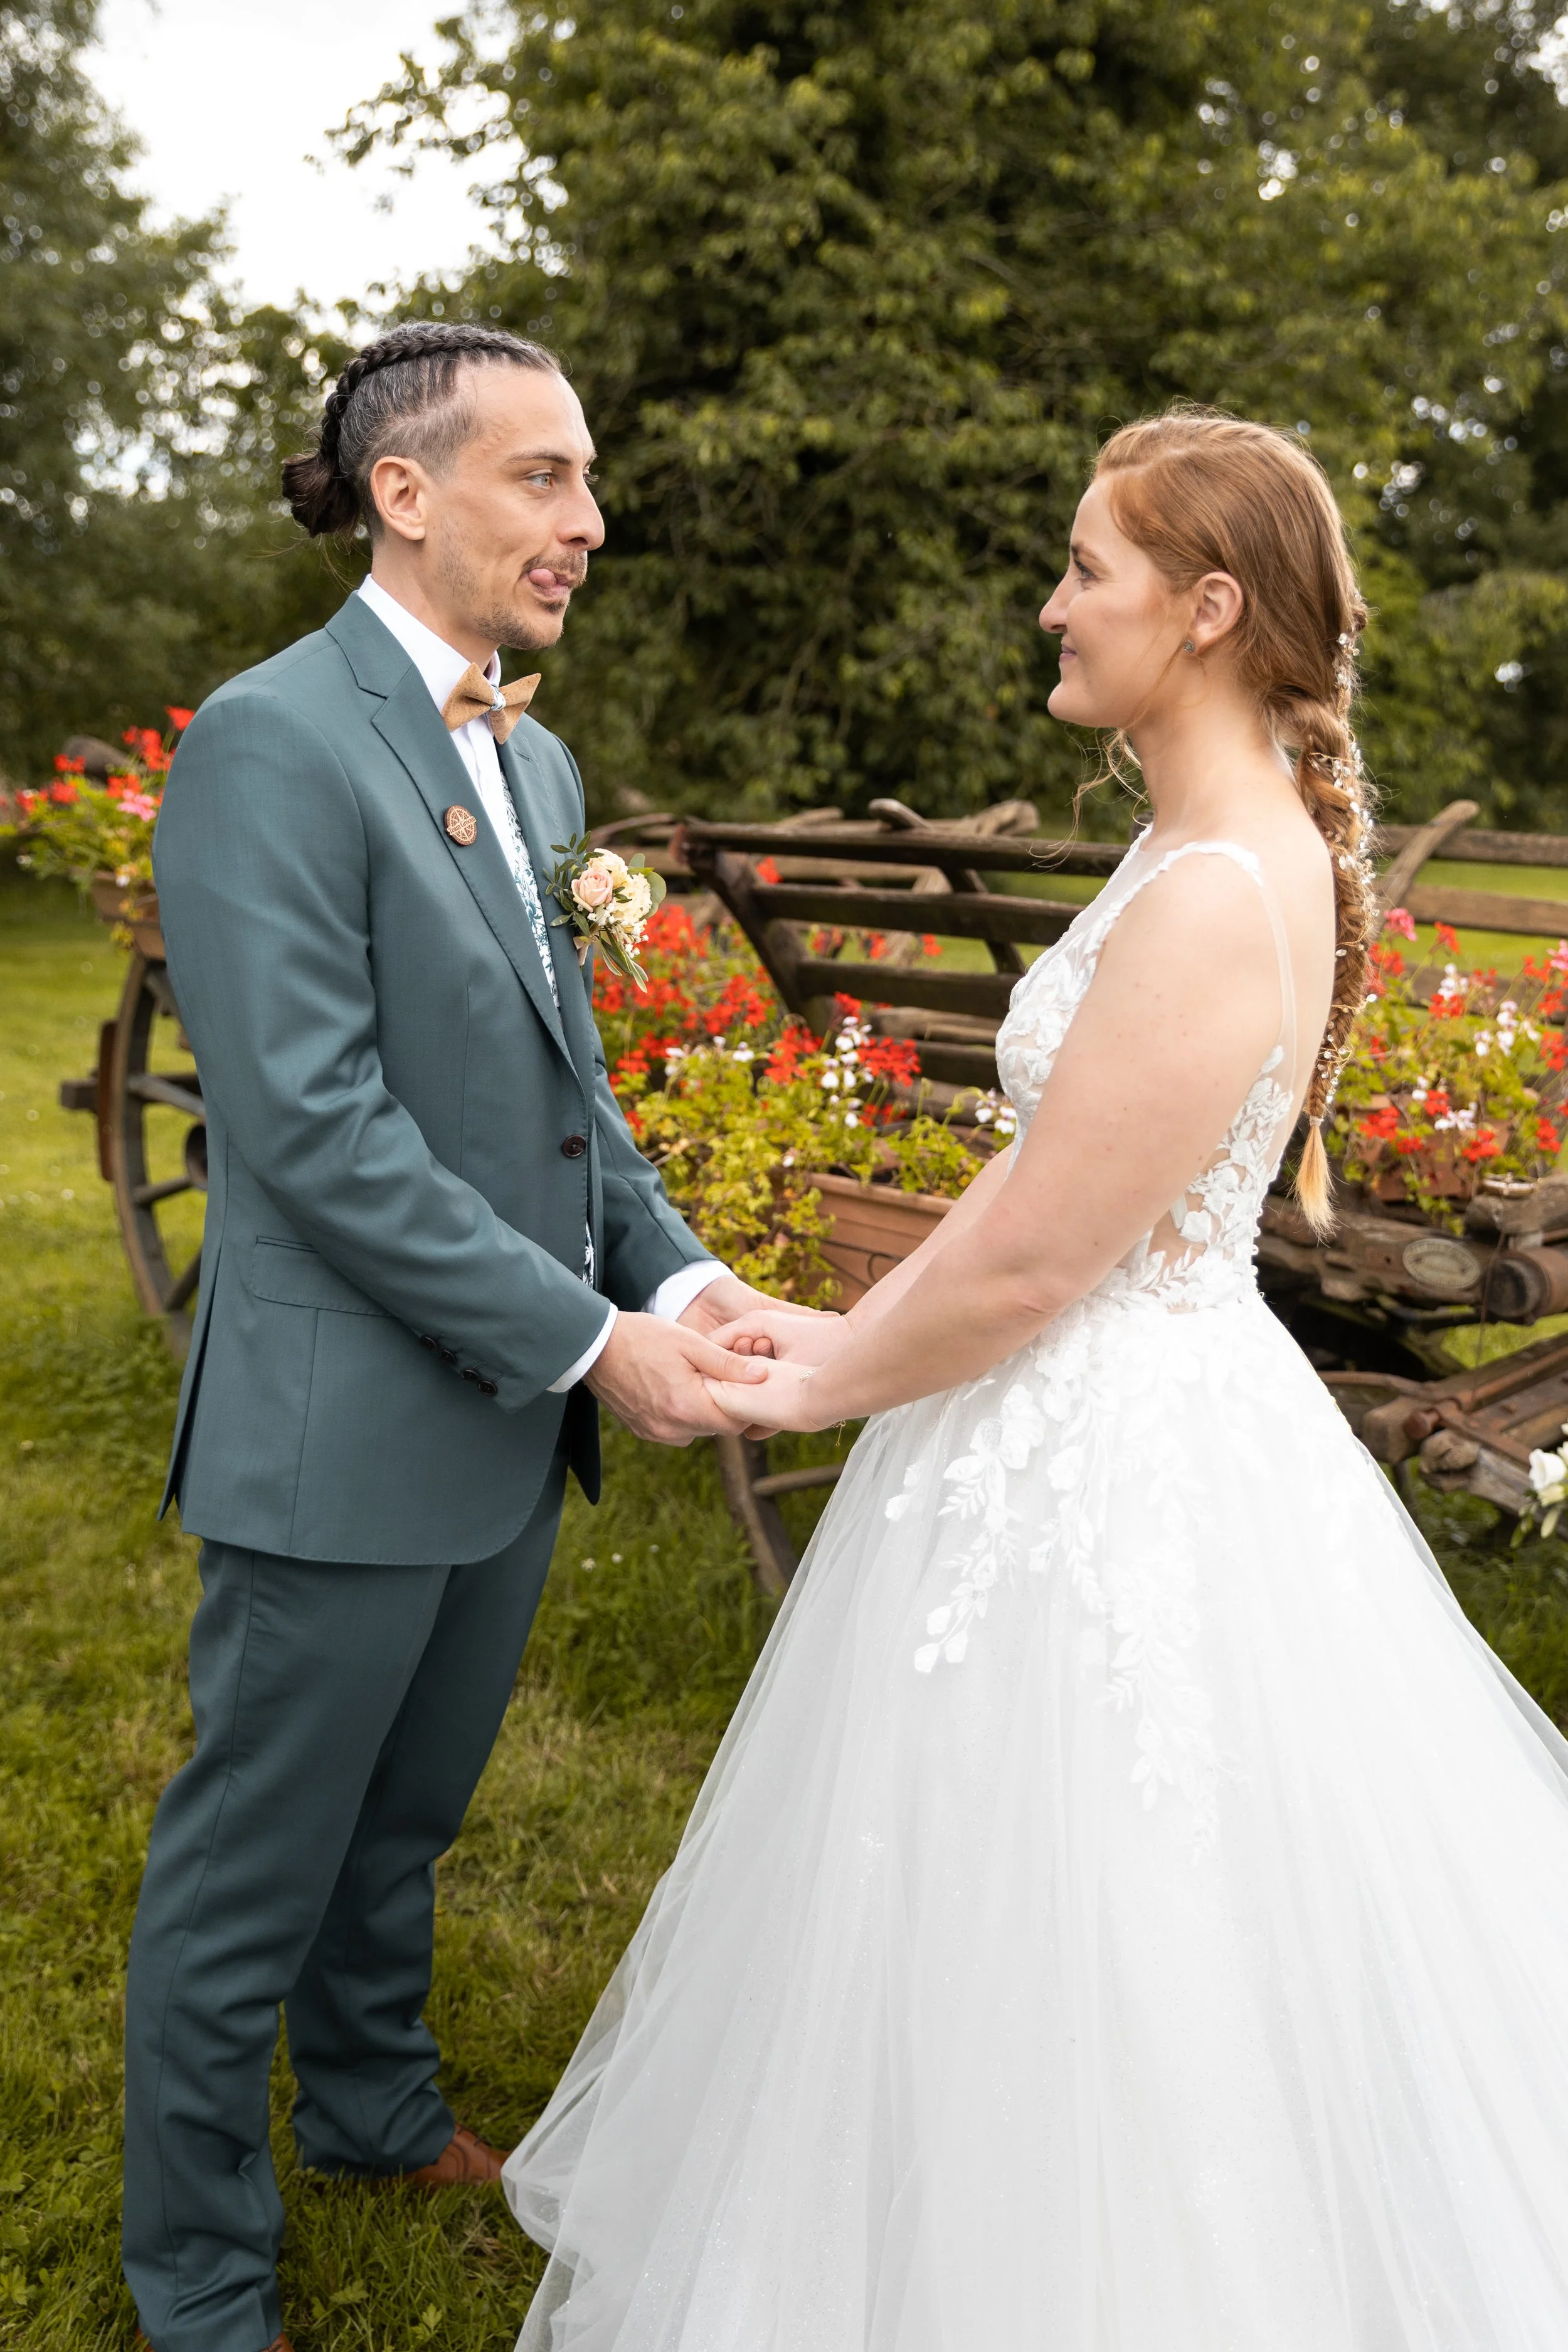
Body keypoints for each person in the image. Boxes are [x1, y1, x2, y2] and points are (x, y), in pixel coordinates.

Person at [503, 410, 1568, 2349]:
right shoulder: (1186, 848)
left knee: (1121, 1912)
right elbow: (1045, 1177)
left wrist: (812, 1390)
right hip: (1073, 1415)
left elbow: (1037, 1258)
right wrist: (838, 1327)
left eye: (1088, 566)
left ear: (1209, 606)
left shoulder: (1216, 886)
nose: (1051, 601)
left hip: (1118, 1462)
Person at [122, 322, 783, 2352]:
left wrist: (676, 1281)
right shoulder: (270, 737)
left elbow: (563, 1098)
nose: (587, 522)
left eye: (586, 482)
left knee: (402, 1816)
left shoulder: (535, 751)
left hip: (501, 1416)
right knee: (254, 1865)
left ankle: (377, 2107)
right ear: (404, 493)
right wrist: (600, 1345)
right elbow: (313, 1134)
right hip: (343, 1428)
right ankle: (201, 2272)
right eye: (544, 478)